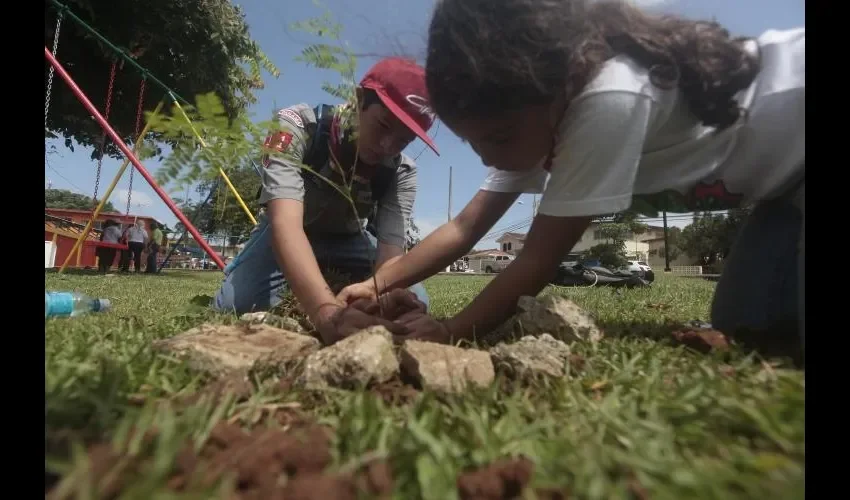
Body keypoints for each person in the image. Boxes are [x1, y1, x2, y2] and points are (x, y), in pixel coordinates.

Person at [338, 0, 804, 359]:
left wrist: (452, 330)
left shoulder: (608, 98)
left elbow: (539, 259)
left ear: (558, 86)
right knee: (747, 323)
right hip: (786, 196)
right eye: (472, 142)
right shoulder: (532, 121)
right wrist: (376, 285)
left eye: (497, 138)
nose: (488, 156)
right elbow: (464, 228)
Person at [213, 57, 439, 345]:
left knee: (414, 300)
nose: (388, 146)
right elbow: (285, 225)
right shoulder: (294, 127)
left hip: (351, 238)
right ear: (358, 99)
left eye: (403, 140)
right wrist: (327, 313)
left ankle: (319, 280)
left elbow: (391, 252)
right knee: (239, 303)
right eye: (383, 125)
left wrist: (381, 297)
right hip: (290, 230)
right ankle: (308, 282)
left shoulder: (401, 171)